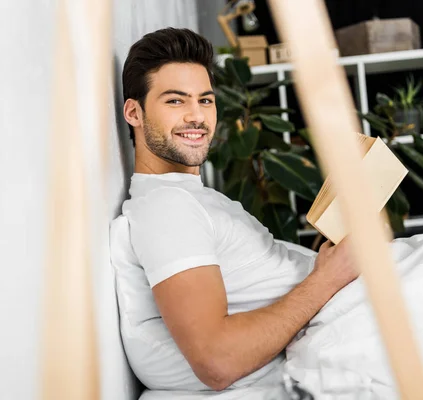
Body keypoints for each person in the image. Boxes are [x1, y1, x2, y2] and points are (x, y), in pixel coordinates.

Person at [109, 27, 359, 393]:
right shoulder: (166, 207)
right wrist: (327, 279)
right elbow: (217, 360)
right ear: (134, 112)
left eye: (205, 100)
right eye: (176, 101)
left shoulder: (191, 197)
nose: (196, 117)